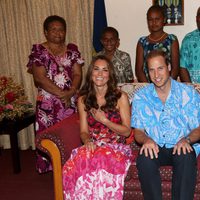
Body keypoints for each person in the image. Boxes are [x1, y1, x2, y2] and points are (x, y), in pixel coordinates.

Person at [131, 49, 200, 200]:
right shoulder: (141, 96)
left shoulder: (188, 93)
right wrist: (146, 140)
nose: (156, 75)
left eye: (160, 68)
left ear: (168, 67)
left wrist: (187, 140)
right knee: (144, 159)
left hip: (180, 144)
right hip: (155, 146)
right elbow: (138, 132)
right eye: (152, 70)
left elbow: (198, 128)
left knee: (186, 156)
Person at [62, 55, 132, 199]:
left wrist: (105, 120)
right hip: (93, 146)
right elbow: (83, 131)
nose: (100, 74)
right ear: (90, 73)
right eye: (96, 69)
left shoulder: (120, 97)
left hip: (115, 147)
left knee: (100, 159)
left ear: (110, 75)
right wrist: (87, 141)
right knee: (75, 163)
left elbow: (126, 131)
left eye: (104, 70)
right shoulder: (83, 99)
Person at [27, 15, 84, 173]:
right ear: (45, 32)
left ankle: (71, 165)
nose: (58, 33)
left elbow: (78, 74)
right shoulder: (39, 51)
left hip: (70, 101)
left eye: (61, 30)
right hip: (48, 103)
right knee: (49, 135)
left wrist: (71, 92)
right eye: (54, 30)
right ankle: (51, 167)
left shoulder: (72, 50)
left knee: (71, 134)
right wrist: (62, 94)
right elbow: (39, 78)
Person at [135, 5, 179, 82]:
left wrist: (167, 86)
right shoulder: (142, 42)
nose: (154, 22)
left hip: (168, 85)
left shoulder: (172, 40)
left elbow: (175, 68)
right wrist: (148, 88)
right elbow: (139, 70)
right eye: (150, 20)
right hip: (148, 87)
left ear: (164, 19)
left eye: (157, 19)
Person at [180, 7, 200, 83]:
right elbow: (182, 67)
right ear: (196, 18)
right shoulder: (188, 39)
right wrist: (191, 90)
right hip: (192, 90)